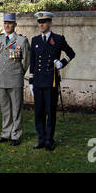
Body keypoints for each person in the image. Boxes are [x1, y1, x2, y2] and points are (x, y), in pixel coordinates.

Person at [29, 11, 75, 151]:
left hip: (51, 81)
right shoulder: (35, 40)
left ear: (50, 23)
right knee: (39, 112)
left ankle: (49, 139)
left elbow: (71, 53)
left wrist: (61, 63)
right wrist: (31, 81)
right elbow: (33, 62)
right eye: (39, 22)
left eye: (43, 22)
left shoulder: (58, 39)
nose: (41, 24)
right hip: (37, 81)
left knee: (50, 111)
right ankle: (41, 139)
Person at [0, 13, 30, 146]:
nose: (7, 25)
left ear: (15, 24)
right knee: (5, 108)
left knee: (16, 108)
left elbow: (26, 60)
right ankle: (6, 133)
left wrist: (18, 72)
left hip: (15, 79)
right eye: (5, 23)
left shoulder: (21, 40)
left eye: (10, 23)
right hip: (2, 79)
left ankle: (16, 134)